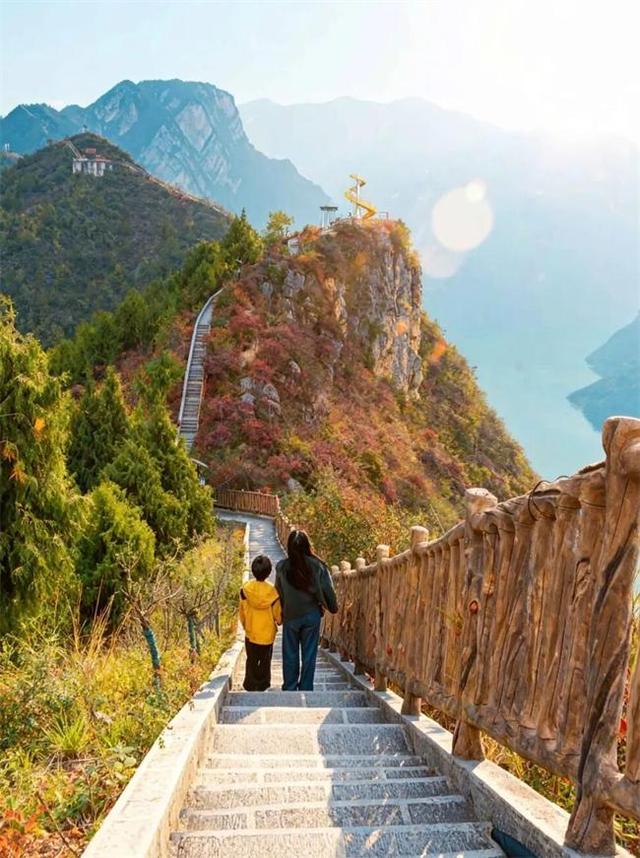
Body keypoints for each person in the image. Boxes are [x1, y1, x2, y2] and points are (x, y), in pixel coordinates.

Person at [276, 530, 338, 691]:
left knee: (290, 653)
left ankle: (289, 687)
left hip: (290, 616)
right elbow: (328, 590)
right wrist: (332, 606)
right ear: (307, 546)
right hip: (312, 616)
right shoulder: (318, 566)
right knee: (309, 654)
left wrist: (283, 611)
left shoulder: (282, 567)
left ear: (289, 546)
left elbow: (278, 592)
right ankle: (306, 687)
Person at [239, 554, 282, 691]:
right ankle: (263, 684)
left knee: (251, 659)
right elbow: (277, 614)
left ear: (253, 570)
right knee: (265, 660)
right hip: (267, 634)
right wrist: (279, 621)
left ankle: (250, 683)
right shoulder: (273, 592)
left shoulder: (245, 590)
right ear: (269, 572)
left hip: (251, 631)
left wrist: (245, 625)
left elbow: (242, 611)